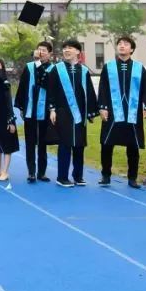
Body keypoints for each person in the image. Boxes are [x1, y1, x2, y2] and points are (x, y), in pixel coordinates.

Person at [97, 36, 146, 188]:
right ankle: (105, 175)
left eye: (126, 44)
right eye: (120, 44)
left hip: (132, 112)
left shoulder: (139, 68)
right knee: (107, 144)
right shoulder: (108, 67)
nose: (122, 46)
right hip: (112, 112)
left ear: (132, 49)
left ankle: (132, 178)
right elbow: (103, 88)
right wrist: (102, 107)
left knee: (133, 146)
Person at [46, 39, 99, 188]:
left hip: (80, 113)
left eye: (70, 48)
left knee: (79, 145)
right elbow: (51, 91)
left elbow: (89, 92)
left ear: (78, 52)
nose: (66, 50)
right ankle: (62, 177)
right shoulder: (56, 69)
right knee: (65, 144)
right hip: (63, 111)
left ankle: (78, 176)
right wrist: (52, 109)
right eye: (64, 48)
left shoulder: (84, 71)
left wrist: (91, 112)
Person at [15, 42, 55, 183]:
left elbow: (44, 82)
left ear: (50, 54)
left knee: (43, 142)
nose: (41, 52)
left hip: (45, 110)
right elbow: (22, 86)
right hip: (30, 109)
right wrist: (21, 107)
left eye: (44, 50)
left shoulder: (52, 69)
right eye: (39, 50)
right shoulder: (29, 67)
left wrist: (53, 109)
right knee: (30, 142)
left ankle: (42, 173)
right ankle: (31, 172)